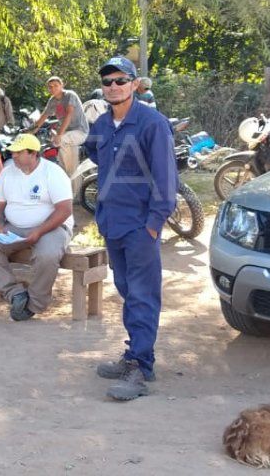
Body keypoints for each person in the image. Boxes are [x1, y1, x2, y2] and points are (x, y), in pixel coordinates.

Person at [85, 56, 176, 402]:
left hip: (140, 227)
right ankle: (134, 352)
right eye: (107, 81)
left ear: (135, 84)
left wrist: (153, 225)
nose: (113, 87)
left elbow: (167, 181)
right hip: (112, 223)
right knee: (126, 289)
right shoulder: (103, 125)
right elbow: (96, 156)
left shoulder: (153, 124)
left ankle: (141, 364)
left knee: (142, 294)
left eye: (120, 80)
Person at [0, 133, 73, 321]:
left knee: (48, 254)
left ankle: (34, 304)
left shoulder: (52, 172)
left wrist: (39, 231)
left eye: (19, 153)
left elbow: (64, 210)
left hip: (52, 227)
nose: (13, 156)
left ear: (33, 153)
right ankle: (15, 294)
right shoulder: (7, 172)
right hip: (15, 227)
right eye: (12, 152)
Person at [29, 76, 89, 183]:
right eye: (50, 87)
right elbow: (42, 118)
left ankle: (69, 179)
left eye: (56, 86)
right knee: (69, 166)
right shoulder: (52, 101)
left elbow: (69, 114)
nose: (53, 89)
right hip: (66, 135)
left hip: (79, 131)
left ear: (62, 85)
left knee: (60, 142)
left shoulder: (69, 95)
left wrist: (59, 134)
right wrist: (29, 132)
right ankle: (73, 192)